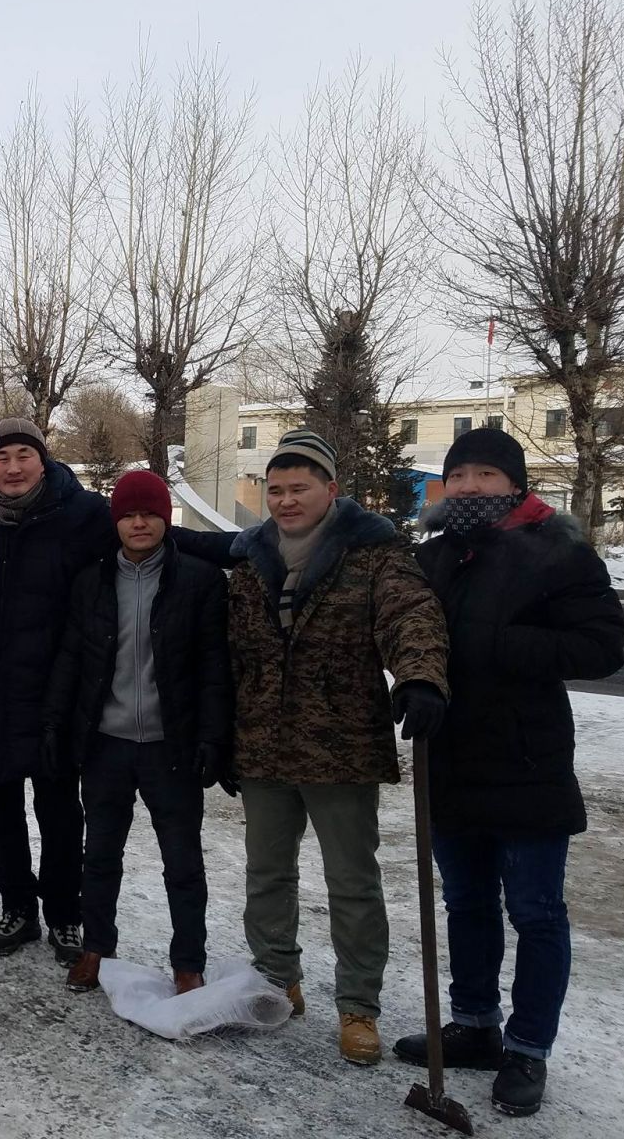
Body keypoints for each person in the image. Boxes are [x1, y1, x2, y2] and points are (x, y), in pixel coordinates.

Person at [393, 428, 624, 1116]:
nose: (469, 486)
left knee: (535, 911)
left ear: (514, 482)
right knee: (465, 902)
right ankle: (474, 1025)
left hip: (527, 761)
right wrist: (414, 680)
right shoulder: (433, 555)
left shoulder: (560, 552)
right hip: (450, 756)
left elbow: (602, 645)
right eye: (459, 474)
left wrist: (501, 644)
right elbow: (406, 632)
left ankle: (527, 1047)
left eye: (485, 474)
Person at [221, 429, 449, 1065]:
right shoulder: (249, 560)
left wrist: (420, 677)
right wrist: (219, 733)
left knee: (351, 881)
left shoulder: (373, 554)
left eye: (300, 488)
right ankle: (276, 978)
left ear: (331, 489)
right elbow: (228, 652)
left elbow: (411, 616)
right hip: (262, 743)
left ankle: (358, 1005)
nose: (286, 501)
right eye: (276, 490)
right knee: (267, 872)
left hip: (339, 747)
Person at [42, 470, 233, 995]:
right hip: (107, 743)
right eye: (128, 514)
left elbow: (214, 668)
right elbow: (71, 658)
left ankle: (188, 963)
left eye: (149, 513)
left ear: (166, 518)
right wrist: (55, 724)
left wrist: (212, 738)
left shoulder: (199, 581)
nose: (139, 523)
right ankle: (96, 949)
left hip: (172, 747)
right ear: (116, 522)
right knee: (101, 855)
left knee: (182, 862)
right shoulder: (93, 581)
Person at [0, 418, 113, 962]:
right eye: (2, 457)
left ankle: (65, 914)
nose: (13, 467)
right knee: (0, 811)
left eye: (24, 455)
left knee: (60, 812)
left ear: (44, 460)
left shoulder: (82, 514)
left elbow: (149, 535)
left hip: (54, 694)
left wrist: (241, 545)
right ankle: (17, 908)